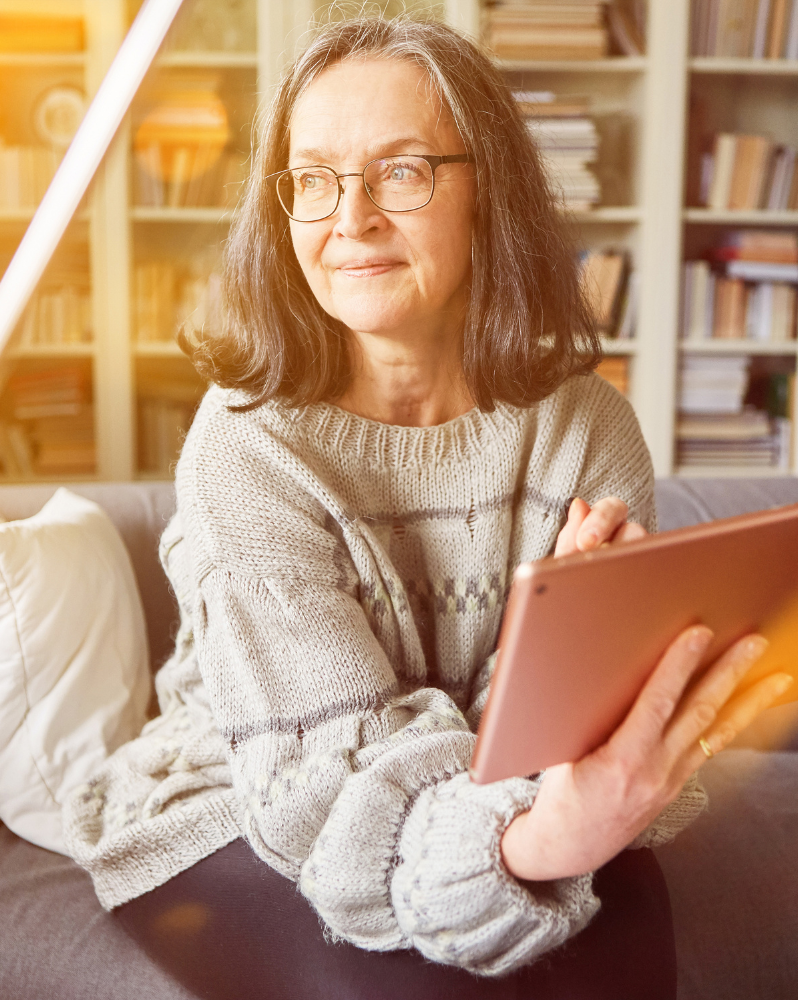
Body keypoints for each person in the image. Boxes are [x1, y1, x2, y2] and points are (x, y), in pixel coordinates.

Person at [64, 14, 792, 1000]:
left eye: (401, 171)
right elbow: (328, 788)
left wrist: (548, 790)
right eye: (313, 178)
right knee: (423, 984)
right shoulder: (245, 444)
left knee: (628, 932)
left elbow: (598, 751)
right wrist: (536, 822)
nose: (349, 218)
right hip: (244, 799)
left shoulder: (586, 428)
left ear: (487, 192)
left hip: (465, 793)